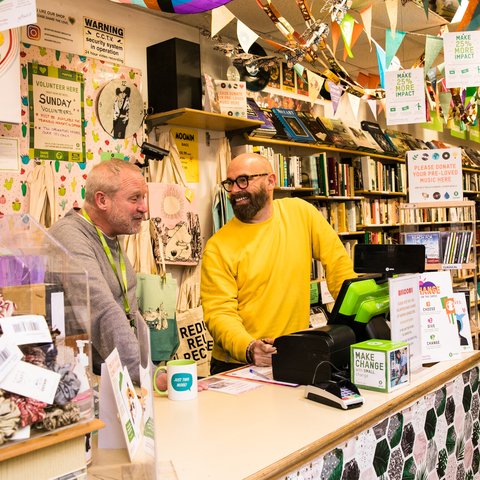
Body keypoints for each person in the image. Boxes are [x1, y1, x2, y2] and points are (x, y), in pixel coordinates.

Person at [200, 153, 357, 374]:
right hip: (239, 364)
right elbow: (219, 313)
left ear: (271, 181)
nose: (235, 190)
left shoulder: (301, 213)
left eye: (243, 180)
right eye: (230, 183)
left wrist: (354, 322)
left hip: (294, 353)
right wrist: (249, 348)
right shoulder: (218, 247)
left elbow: (338, 265)